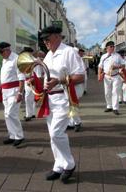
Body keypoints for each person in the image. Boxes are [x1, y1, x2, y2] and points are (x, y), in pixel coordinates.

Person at [40, 26, 85, 183]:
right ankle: (58, 166)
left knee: (56, 133)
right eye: (43, 39)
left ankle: (69, 164)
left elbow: (80, 76)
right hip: (50, 99)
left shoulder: (69, 52)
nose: (45, 41)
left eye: (48, 38)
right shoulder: (48, 55)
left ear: (58, 36)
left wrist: (58, 81)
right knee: (52, 135)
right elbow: (46, 77)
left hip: (64, 98)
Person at [0, 41, 25, 147]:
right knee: (7, 115)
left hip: (14, 91)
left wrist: (20, 93)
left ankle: (19, 136)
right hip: (5, 91)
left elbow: (22, 78)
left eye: (1, 52)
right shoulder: (5, 60)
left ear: (7, 50)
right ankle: (12, 135)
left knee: (11, 113)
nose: (0, 54)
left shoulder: (16, 59)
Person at [98, 41, 124, 115]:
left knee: (115, 92)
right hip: (106, 76)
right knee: (107, 92)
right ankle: (109, 106)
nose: (113, 48)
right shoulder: (103, 56)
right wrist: (99, 75)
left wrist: (117, 67)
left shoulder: (117, 56)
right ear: (107, 48)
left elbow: (123, 65)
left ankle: (115, 108)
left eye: (113, 46)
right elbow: (100, 66)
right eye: (111, 46)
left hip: (116, 76)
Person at [67, 47, 86, 132]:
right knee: (69, 105)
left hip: (75, 86)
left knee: (73, 104)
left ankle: (77, 122)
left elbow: (81, 77)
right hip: (68, 85)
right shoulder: (70, 61)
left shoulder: (79, 61)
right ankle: (71, 122)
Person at [21, 46, 38, 121]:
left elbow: (37, 72)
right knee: (30, 98)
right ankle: (31, 113)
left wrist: (33, 79)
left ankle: (29, 114)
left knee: (29, 98)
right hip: (28, 80)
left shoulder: (34, 61)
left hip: (32, 80)